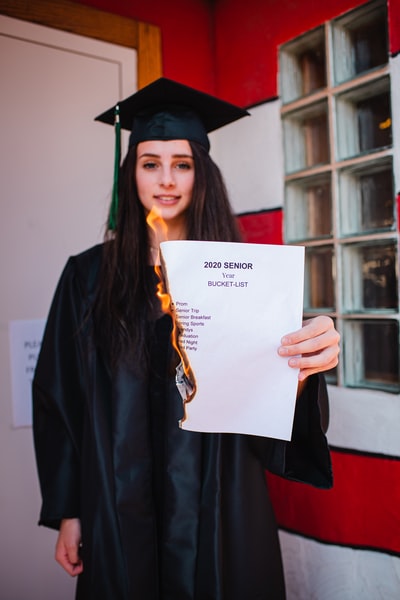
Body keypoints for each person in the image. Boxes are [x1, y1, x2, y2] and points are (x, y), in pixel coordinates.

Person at [32, 78, 340, 600]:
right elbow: (60, 399)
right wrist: (69, 511)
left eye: (183, 163)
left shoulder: (240, 274)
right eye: (150, 162)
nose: (167, 179)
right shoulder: (88, 277)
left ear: (203, 174)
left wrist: (306, 368)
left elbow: (268, 396)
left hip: (219, 499)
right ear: (130, 172)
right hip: (115, 502)